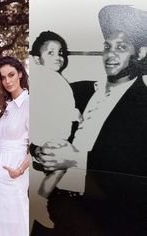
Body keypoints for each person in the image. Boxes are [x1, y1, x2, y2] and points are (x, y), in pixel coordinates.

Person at [34, 5, 147, 235]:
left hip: (101, 218)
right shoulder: (75, 91)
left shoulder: (142, 106)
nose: (110, 54)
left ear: (141, 53)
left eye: (121, 47)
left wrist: (76, 159)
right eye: (107, 47)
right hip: (51, 209)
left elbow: (137, 177)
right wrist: (39, 152)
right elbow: (35, 124)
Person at [29, 31, 94, 233]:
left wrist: (75, 113)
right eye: (51, 52)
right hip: (46, 137)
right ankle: (39, 200)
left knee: (59, 168)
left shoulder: (56, 79)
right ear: (37, 59)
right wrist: (75, 114)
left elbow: (64, 102)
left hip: (54, 137)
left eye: (61, 52)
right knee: (59, 167)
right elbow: (51, 104)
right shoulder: (42, 77)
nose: (58, 56)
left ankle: (38, 200)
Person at [0, 56, 29, 236]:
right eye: (3, 77)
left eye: (11, 75)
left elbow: (38, 146)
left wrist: (19, 169)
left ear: (20, 73)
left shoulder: (29, 103)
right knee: (0, 221)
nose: (7, 81)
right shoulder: (8, 106)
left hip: (15, 171)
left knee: (17, 218)